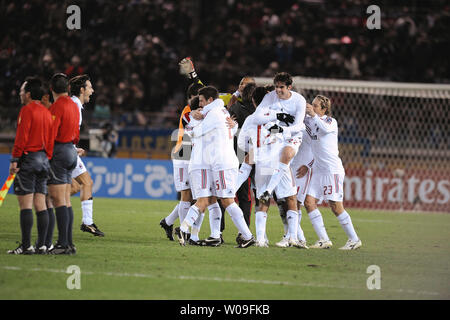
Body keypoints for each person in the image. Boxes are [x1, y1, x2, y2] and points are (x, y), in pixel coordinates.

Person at [177, 86, 256, 248]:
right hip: (218, 163)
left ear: (210, 100)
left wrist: (194, 119)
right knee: (212, 200)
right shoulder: (222, 111)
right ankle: (214, 236)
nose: (200, 104)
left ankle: (247, 235)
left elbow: (196, 132)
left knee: (227, 200)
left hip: (223, 164)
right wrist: (198, 116)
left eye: (201, 101)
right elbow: (232, 128)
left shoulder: (213, 114)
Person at [236, 86, 304, 248]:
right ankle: (294, 237)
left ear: (253, 101)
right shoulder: (275, 119)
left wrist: (254, 150)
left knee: (262, 201)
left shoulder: (251, 119)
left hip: (262, 164)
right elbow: (283, 135)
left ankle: (261, 239)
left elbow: (241, 143)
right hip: (278, 163)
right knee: (290, 198)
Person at [303, 95, 362, 250]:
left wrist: (313, 115)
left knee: (335, 206)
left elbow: (324, 128)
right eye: (312, 105)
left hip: (331, 170)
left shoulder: (330, 122)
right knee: (308, 202)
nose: (312, 107)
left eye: (316, 106)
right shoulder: (309, 121)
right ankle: (324, 239)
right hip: (318, 170)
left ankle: (354, 239)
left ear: (324, 109)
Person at [7, 77, 53, 255]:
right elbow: (50, 140)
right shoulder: (47, 113)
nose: (19, 94)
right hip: (44, 160)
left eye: (21, 91)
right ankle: (42, 245)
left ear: (27, 94)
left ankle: (26, 246)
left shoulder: (27, 110)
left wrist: (15, 160)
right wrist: (46, 157)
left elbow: (21, 137)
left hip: (29, 158)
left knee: (25, 205)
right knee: (40, 203)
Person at [252, 72, 306, 206]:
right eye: (276, 87)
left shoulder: (299, 100)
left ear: (289, 87)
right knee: (264, 166)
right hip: (275, 134)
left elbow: (299, 125)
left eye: (281, 87)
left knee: (286, 154)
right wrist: (277, 117)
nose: (278, 90)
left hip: (292, 135)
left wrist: (284, 130)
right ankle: (266, 191)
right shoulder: (270, 97)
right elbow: (258, 117)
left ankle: (268, 191)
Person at [47, 73, 80, 255]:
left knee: (58, 200)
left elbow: (51, 134)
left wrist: (47, 156)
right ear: (68, 88)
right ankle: (69, 243)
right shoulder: (74, 106)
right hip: (71, 150)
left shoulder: (56, 107)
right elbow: (76, 133)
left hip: (59, 151)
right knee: (66, 200)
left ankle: (62, 244)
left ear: (51, 89)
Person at [68, 74, 105, 237]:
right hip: (65, 151)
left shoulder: (75, 105)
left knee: (76, 186)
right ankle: (87, 222)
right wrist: (71, 147)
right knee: (86, 183)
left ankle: (46, 200)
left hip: (68, 149)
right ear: (82, 90)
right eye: (89, 87)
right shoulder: (74, 105)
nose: (92, 90)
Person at [227, 82, 256, 229]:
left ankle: (218, 232)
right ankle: (245, 230)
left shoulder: (235, 108)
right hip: (251, 157)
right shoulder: (259, 111)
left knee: (225, 194)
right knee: (247, 196)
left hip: (235, 155)